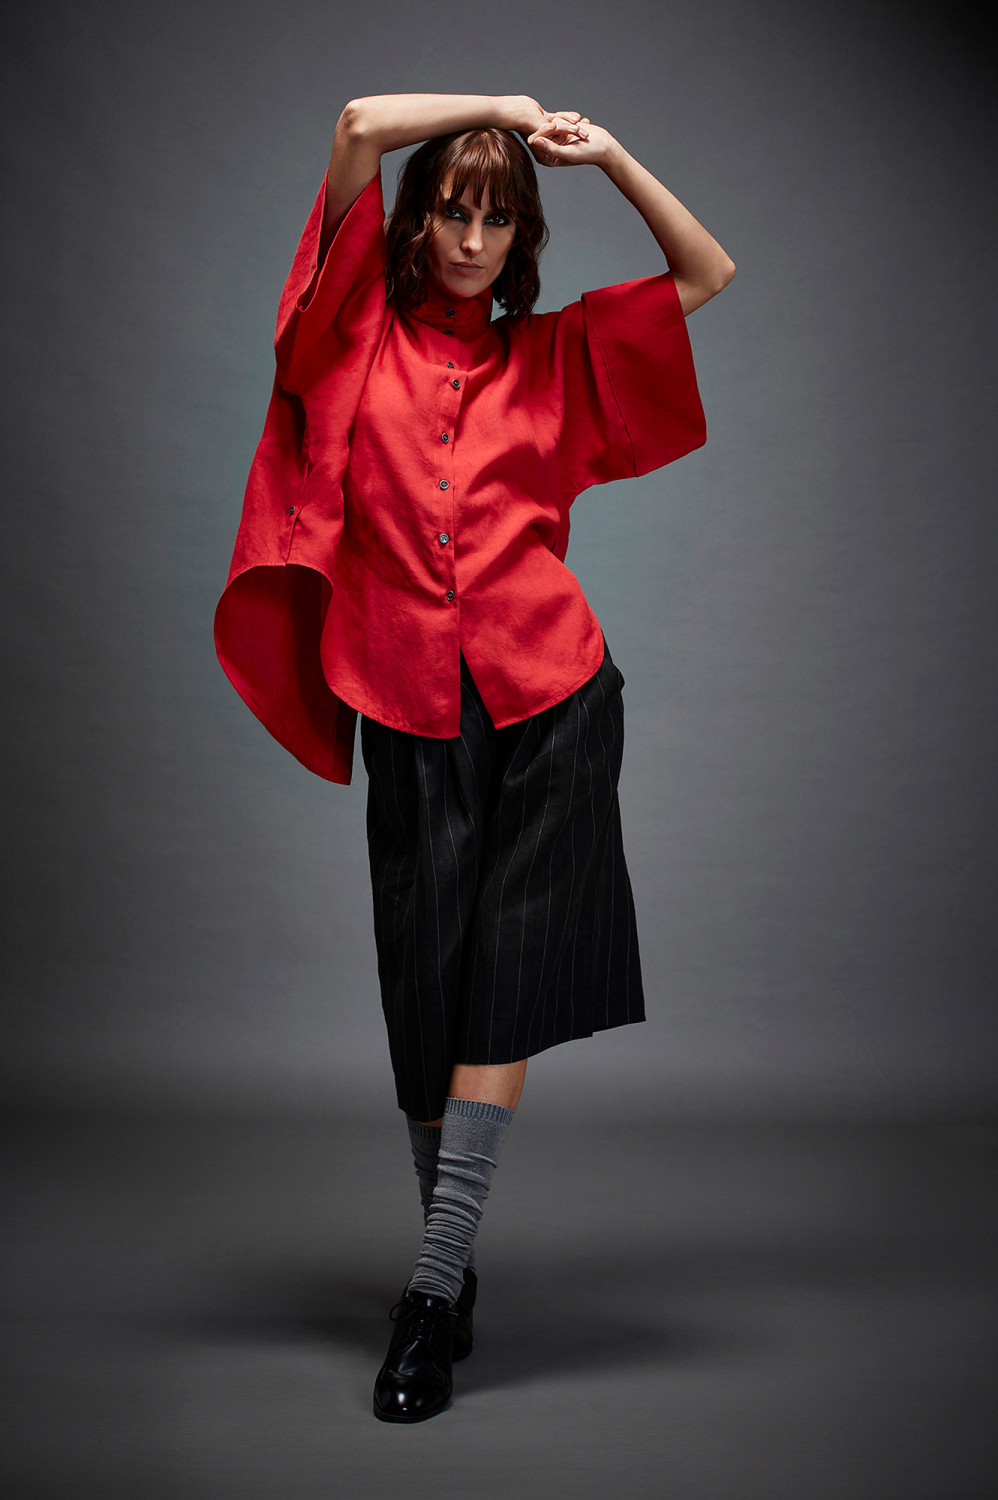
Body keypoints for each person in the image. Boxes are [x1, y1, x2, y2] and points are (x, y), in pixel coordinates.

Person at [214, 93, 735, 1423]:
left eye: (499, 218)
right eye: (454, 208)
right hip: (405, 701)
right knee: (425, 995)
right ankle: (446, 1275)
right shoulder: (350, 338)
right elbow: (354, 124)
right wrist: (500, 110)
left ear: (521, 239)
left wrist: (611, 155)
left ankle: (432, 1288)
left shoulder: (555, 356)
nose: (471, 238)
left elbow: (705, 271)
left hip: (552, 695)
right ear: (419, 219)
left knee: (502, 981)